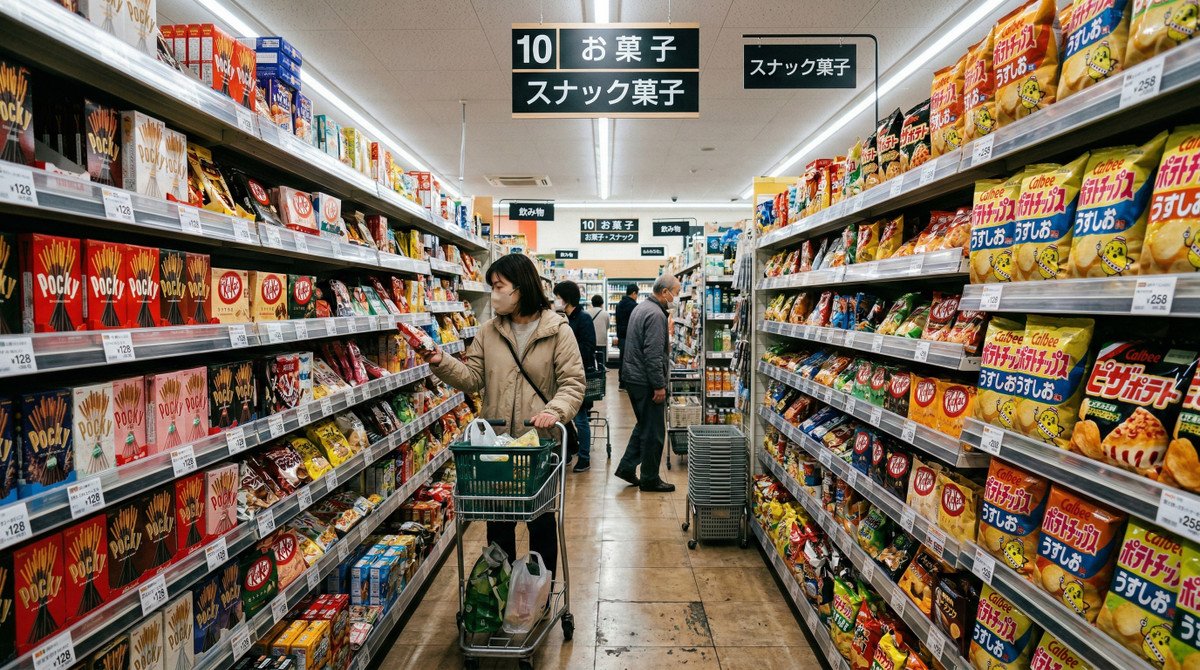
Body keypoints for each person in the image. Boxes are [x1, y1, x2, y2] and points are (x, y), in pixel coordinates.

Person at [421, 254, 584, 576]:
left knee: (540, 522)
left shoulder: (558, 331)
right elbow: (473, 379)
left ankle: (539, 590)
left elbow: (573, 383)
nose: (494, 294)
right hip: (496, 445)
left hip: (539, 445)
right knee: (498, 522)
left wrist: (554, 411)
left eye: (499, 286)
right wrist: (441, 362)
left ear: (520, 287)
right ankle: (501, 589)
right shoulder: (488, 331)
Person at [615, 273, 680, 493]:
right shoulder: (655, 314)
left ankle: (626, 467)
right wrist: (659, 385)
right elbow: (653, 355)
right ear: (665, 292)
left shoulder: (641, 307)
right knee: (654, 432)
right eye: (676, 293)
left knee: (645, 425)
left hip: (633, 377)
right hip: (645, 381)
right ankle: (650, 478)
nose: (676, 297)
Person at [554, 281, 595, 473]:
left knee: (580, 419)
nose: (555, 300)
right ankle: (569, 452)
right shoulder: (559, 319)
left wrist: (568, 352)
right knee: (562, 417)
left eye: (558, 297)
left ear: (567, 299)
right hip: (560, 376)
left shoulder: (584, 319)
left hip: (579, 377)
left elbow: (588, 348)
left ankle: (584, 458)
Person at [614, 284, 639, 390]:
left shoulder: (619, 304)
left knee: (622, 359)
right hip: (631, 337)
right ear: (633, 293)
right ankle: (629, 383)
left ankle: (622, 383)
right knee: (630, 361)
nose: (637, 297)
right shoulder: (634, 306)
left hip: (621, 336)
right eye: (637, 294)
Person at [587, 295, 608, 372]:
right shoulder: (606, 313)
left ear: (592, 303)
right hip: (601, 341)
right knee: (601, 361)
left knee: (590, 360)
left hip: (590, 340)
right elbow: (607, 326)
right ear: (602, 303)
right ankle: (601, 374)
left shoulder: (587, 312)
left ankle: (592, 374)